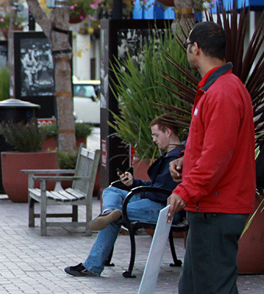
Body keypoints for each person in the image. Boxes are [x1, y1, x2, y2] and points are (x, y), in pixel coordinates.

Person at [158, 21, 255, 294]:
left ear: (196, 48)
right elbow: (209, 151)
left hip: (220, 206)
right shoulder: (213, 90)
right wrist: (186, 164)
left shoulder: (224, 92)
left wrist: (187, 189)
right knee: (195, 287)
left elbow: (218, 155)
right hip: (208, 204)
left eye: (187, 45)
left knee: (214, 288)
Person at [64, 116, 184, 278]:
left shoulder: (176, 159)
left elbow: (162, 193)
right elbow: (156, 188)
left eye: (156, 135)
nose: (154, 140)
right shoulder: (171, 155)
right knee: (111, 190)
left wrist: (138, 188)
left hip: (164, 207)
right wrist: (134, 183)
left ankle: (92, 264)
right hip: (153, 200)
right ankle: (110, 211)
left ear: (168, 132)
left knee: (117, 214)